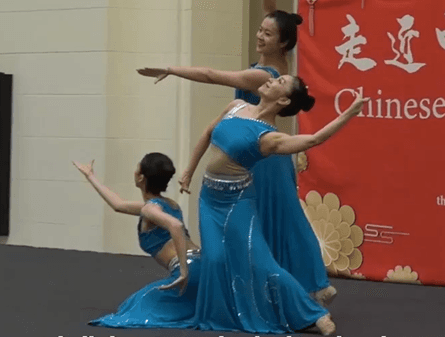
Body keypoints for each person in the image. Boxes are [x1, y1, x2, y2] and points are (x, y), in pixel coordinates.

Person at [136, 0, 335, 305]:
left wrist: (170, 68)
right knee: (281, 217)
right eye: (260, 29)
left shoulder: (264, 76)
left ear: (282, 42)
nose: (259, 36)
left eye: (267, 34)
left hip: (258, 157)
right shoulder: (279, 62)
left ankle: (302, 286)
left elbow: (210, 74)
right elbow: (273, 12)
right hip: (261, 152)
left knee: (272, 219)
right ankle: (298, 285)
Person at [183, 75, 367, 335]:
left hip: (237, 202)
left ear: (283, 99)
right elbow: (207, 133)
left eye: (279, 81)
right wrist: (188, 172)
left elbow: (313, 140)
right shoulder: (234, 107)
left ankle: (314, 314)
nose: (271, 80)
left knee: (262, 263)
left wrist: (347, 115)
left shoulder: (269, 137)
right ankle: (224, 314)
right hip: (208, 199)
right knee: (214, 259)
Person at [73, 153, 201, 328]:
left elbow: (176, 226)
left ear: (141, 177)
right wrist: (90, 176)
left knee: (134, 307)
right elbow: (118, 205)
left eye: (137, 167)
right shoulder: (168, 204)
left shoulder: (150, 210)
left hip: (189, 270)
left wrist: (184, 271)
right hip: (203, 266)